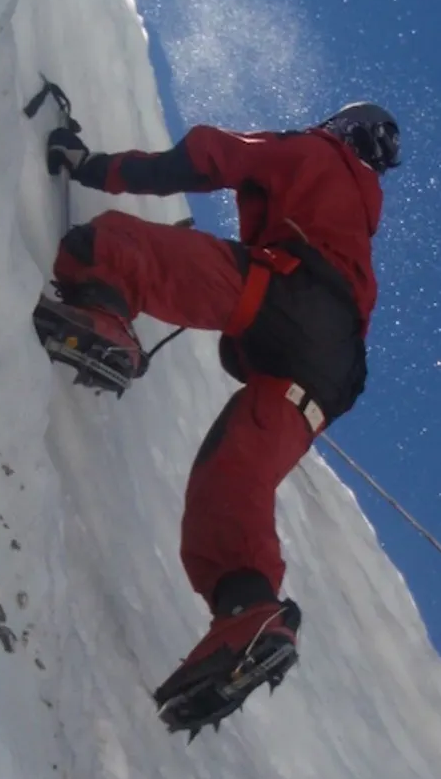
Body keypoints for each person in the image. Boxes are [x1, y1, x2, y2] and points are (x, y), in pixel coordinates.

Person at [34, 102, 402, 735]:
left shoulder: (313, 154)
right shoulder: (360, 226)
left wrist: (88, 164)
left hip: (284, 295)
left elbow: (211, 155)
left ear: (341, 130)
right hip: (326, 377)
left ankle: (102, 315)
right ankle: (248, 609)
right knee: (231, 481)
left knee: (107, 246)